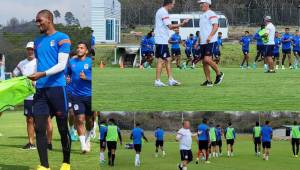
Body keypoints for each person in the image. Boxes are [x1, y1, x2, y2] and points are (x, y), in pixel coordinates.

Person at [27, 10, 71, 170]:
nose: (37, 23)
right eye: (36, 21)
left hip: (57, 89)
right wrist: (34, 79)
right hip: (40, 91)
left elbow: (61, 65)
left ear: (49, 20)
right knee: (39, 128)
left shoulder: (62, 38)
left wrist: (42, 74)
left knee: (62, 128)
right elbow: (40, 63)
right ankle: (44, 166)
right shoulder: (37, 42)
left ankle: (66, 162)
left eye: (40, 20)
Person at [13, 42, 54, 150]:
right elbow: (14, 73)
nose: (30, 51)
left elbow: (49, 74)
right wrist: (19, 83)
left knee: (46, 119)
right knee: (29, 119)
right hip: (28, 96)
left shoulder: (41, 62)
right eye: (28, 49)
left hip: (41, 94)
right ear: (26, 50)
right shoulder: (22, 63)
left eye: (32, 49)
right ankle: (31, 143)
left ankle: (48, 143)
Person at [153, 0, 189, 87]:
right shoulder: (163, 12)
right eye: (173, 4)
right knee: (161, 60)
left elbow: (167, 27)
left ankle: (170, 80)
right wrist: (182, 23)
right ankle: (158, 81)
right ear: (169, 4)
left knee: (168, 59)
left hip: (161, 40)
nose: (173, 6)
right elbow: (170, 26)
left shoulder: (161, 11)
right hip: (161, 40)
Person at [67, 42, 92, 153]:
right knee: (79, 119)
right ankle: (83, 146)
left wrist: (87, 77)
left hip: (90, 95)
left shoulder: (91, 62)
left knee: (89, 122)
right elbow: (66, 74)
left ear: (86, 51)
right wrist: (66, 78)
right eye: (78, 47)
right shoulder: (71, 62)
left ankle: (87, 139)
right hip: (76, 96)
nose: (79, 49)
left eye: (82, 48)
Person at [196, 0, 224, 87]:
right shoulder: (202, 15)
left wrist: (210, 36)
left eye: (202, 3)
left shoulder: (211, 13)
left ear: (208, 4)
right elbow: (202, 30)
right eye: (200, 4)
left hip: (210, 41)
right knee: (204, 62)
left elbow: (216, 26)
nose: (201, 5)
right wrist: (198, 41)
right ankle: (208, 81)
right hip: (203, 42)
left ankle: (219, 74)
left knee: (207, 59)